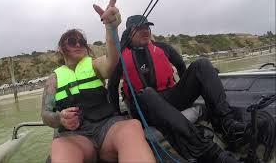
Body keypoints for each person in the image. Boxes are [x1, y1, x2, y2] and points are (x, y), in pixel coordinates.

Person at [107, 15, 275, 162]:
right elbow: (113, 86)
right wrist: (116, 114)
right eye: (139, 28)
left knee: (202, 64)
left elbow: (182, 68)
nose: (145, 31)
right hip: (145, 108)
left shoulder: (162, 48)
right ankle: (210, 153)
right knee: (148, 94)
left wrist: (192, 87)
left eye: (147, 28)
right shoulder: (121, 56)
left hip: (170, 97)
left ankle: (227, 124)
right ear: (129, 33)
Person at [41, 0, 155, 163]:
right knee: (60, 145)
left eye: (82, 41)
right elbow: (45, 114)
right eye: (72, 41)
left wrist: (111, 28)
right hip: (75, 136)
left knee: (131, 127)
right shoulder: (53, 80)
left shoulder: (94, 64)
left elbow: (111, 61)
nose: (79, 44)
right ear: (61, 48)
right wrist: (60, 118)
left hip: (107, 128)